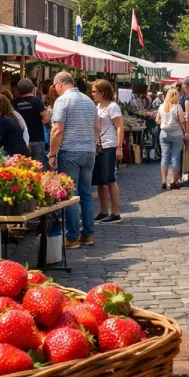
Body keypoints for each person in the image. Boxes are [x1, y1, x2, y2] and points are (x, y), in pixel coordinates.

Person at [49, 71, 100, 247]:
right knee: (86, 194)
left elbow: (57, 130)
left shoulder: (62, 101)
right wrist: (92, 145)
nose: (55, 90)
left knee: (71, 195)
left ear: (60, 84)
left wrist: (52, 154)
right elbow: (97, 127)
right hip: (88, 152)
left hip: (70, 151)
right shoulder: (88, 101)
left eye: (55, 87)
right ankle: (88, 234)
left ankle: (72, 237)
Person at [92, 79, 124, 222]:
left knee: (110, 178)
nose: (92, 94)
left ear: (102, 92)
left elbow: (119, 127)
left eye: (94, 91)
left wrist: (119, 147)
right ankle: (104, 210)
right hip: (99, 146)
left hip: (110, 145)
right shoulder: (97, 107)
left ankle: (115, 212)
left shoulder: (113, 107)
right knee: (100, 180)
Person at [14, 78, 50, 166]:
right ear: (32, 89)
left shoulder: (15, 103)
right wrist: (38, 123)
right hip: (37, 139)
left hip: (21, 141)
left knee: (23, 167)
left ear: (18, 91)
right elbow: (46, 117)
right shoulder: (36, 101)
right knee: (39, 168)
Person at [158, 88, 187, 190]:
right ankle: (173, 181)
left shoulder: (162, 106)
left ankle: (163, 180)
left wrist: (165, 120)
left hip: (164, 133)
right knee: (175, 157)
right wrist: (186, 132)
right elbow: (182, 121)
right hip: (176, 134)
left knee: (164, 157)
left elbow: (157, 120)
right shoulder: (177, 107)